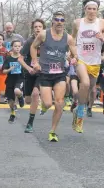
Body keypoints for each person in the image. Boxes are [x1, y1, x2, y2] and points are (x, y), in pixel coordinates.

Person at [31, 11, 76, 142]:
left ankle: (53, 131)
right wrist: (35, 62)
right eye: (57, 19)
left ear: (64, 22)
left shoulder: (68, 38)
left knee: (60, 102)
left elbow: (75, 53)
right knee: (47, 103)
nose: (59, 22)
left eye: (62, 20)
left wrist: (74, 58)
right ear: (52, 21)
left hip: (60, 74)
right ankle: (45, 105)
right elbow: (33, 47)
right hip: (45, 73)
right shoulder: (44, 34)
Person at [71, 0, 104, 133]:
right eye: (89, 8)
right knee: (85, 84)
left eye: (94, 9)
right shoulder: (77, 23)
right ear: (85, 9)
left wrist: (103, 39)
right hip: (81, 59)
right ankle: (81, 113)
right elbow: (71, 40)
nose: (91, 11)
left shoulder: (103, 23)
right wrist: (71, 55)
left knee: (89, 90)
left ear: (97, 10)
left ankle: (79, 107)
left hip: (95, 61)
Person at [19, 18, 46, 133]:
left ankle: (30, 123)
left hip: (42, 73)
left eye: (40, 27)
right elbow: (20, 58)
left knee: (35, 94)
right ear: (33, 29)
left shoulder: (47, 41)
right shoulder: (29, 42)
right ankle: (24, 97)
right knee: (28, 101)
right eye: (35, 27)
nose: (38, 29)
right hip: (30, 72)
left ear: (43, 28)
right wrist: (29, 68)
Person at [2, 40, 25, 123]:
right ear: (12, 47)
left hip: (20, 78)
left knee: (17, 91)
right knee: (11, 101)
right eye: (15, 46)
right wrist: (9, 69)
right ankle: (12, 114)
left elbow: (27, 67)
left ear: (21, 47)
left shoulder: (23, 57)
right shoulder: (8, 58)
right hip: (10, 80)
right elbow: (3, 71)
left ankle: (20, 96)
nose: (17, 48)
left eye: (19, 46)